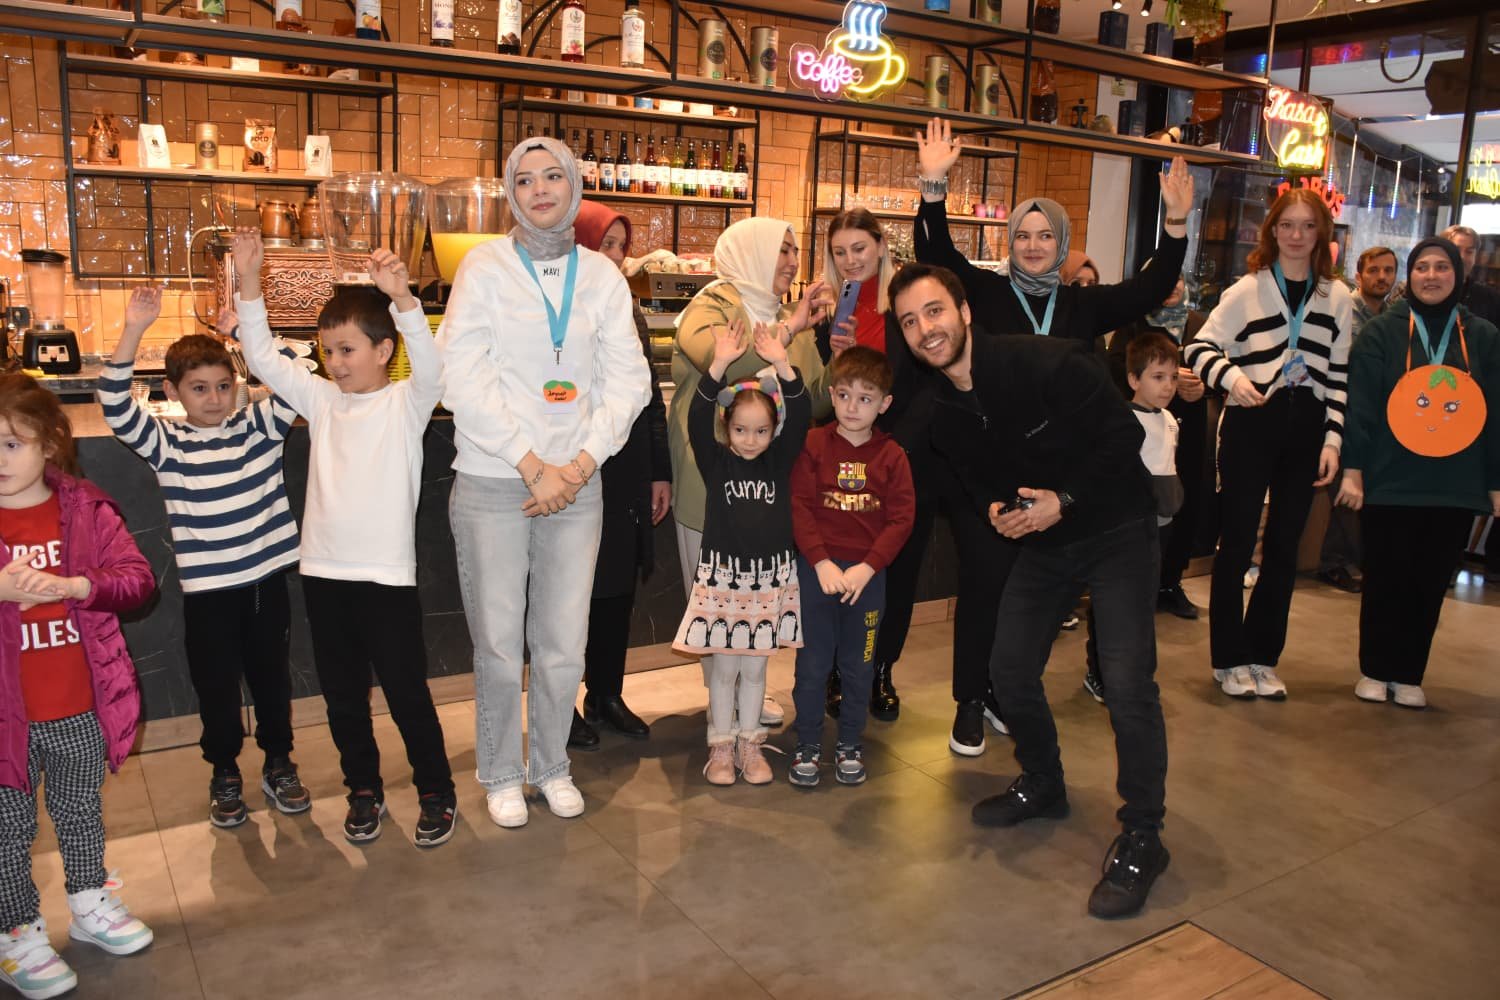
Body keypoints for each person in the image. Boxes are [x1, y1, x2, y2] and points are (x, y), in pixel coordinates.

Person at [892, 263, 1170, 919]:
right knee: (1009, 670)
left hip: (1117, 530)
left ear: (964, 312)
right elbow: (978, 481)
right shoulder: (943, 415)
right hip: (1047, 543)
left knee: (1127, 682)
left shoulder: (1047, 362)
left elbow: (1124, 436)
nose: (925, 329)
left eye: (934, 311)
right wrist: (997, 509)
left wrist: (1063, 500)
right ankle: (1044, 779)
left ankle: (1144, 834)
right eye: (908, 321)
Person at [907, 116, 1193, 755]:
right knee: (986, 586)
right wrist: (933, 187)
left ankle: (1012, 695)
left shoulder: (1082, 304)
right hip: (995, 473)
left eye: (1044, 236)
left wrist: (1175, 224)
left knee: (1036, 601)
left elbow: (1148, 287)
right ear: (1009, 242)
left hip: (1066, 479)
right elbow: (938, 258)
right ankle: (970, 701)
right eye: (1022, 235)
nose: (1033, 246)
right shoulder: (985, 293)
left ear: (1061, 244)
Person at [438, 138, 651, 829]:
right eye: (525, 179)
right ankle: (502, 771)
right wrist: (532, 465)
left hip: (578, 486)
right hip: (494, 481)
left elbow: (630, 382)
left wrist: (579, 465)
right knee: (500, 643)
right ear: (511, 192)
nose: (539, 189)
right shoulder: (484, 268)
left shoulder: (603, 277)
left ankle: (551, 763)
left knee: (562, 642)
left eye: (552, 175)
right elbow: (460, 378)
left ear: (574, 186)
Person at [233, 230, 458, 848]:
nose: (334, 362)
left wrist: (403, 298)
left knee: (407, 694)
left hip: (385, 578)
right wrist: (249, 281)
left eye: (347, 350)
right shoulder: (322, 399)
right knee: (342, 699)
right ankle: (363, 789)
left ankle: (436, 790)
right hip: (324, 574)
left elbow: (432, 365)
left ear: (383, 350)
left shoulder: (407, 404)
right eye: (327, 350)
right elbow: (262, 357)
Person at [96, 287, 310, 829]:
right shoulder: (166, 443)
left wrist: (244, 333)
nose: (214, 399)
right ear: (172, 391)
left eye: (223, 386)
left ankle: (279, 762)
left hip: (263, 586)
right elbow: (116, 405)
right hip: (209, 596)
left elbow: (297, 373)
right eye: (199, 388)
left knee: (272, 682)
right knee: (216, 689)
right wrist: (133, 329)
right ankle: (225, 772)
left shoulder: (259, 427)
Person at [0, 373, 156, 999]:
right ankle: (16, 934)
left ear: (49, 443)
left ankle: (90, 902)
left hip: (76, 703)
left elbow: (137, 580)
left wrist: (78, 586)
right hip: (7, 717)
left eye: (12, 444)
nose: (0, 459)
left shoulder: (85, 508)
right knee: (7, 828)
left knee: (79, 809)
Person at [1184, 188, 1352, 701]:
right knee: (1236, 543)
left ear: (1321, 234)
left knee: (1283, 547)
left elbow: (1339, 376)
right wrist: (1232, 379)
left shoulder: (1337, 297)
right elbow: (1198, 348)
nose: (1297, 235)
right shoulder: (1248, 289)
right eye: (1287, 225)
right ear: (1273, 230)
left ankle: (1262, 655)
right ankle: (1228, 658)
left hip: (1307, 426)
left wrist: (1333, 440)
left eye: (1307, 226)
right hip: (1252, 421)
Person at [669, 217, 831, 731]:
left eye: (795, 251)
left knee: (758, 600)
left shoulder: (786, 316)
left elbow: (816, 400)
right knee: (715, 599)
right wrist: (789, 332)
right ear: (752, 251)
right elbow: (723, 363)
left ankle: (749, 694)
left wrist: (839, 352)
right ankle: (725, 706)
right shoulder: (712, 305)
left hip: (769, 492)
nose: (792, 262)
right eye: (781, 250)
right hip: (710, 484)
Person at [1337, 237, 1500, 709]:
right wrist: (1353, 469)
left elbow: (1495, 414)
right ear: (1411, 276)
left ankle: (1409, 673)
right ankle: (1375, 669)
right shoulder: (1382, 332)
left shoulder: (1484, 336)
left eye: (1441, 267)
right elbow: (1361, 405)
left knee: (1430, 583)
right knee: (1385, 577)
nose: (1432, 276)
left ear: (1458, 275)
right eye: (1422, 267)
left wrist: (1495, 480)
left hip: (1455, 484)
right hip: (1390, 479)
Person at [672, 319, 810, 785]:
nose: (750, 439)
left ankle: (750, 744)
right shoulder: (717, 462)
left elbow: (801, 412)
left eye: (761, 430)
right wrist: (719, 365)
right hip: (723, 583)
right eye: (741, 429)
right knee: (725, 671)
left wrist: (782, 364)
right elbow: (697, 416)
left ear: (774, 431)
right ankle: (721, 748)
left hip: (767, 583)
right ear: (727, 427)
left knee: (755, 671)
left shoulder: (779, 461)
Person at [565, 201, 671, 749]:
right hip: (576, 466)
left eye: (621, 246)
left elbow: (649, 398)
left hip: (626, 468)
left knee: (615, 592)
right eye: (604, 243)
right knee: (570, 593)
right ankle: (561, 705)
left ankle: (606, 694)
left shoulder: (628, 308)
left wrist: (659, 473)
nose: (615, 255)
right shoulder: (559, 307)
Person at [788, 346, 914, 787]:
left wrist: (869, 567)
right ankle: (807, 742)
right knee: (812, 665)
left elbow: (902, 519)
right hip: (816, 575)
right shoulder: (813, 444)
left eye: (865, 398)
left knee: (860, 666)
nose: (852, 407)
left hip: (867, 580)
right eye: (844, 395)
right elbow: (800, 507)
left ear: (884, 403)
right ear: (832, 395)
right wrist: (820, 561)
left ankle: (849, 744)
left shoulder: (893, 456)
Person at [812, 208, 918, 722]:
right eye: (840, 252)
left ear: (880, 246)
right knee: (844, 565)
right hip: (843, 465)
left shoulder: (903, 305)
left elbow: (920, 382)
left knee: (895, 571)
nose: (851, 260)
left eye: (859, 248)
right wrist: (835, 353)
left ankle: (881, 671)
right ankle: (840, 671)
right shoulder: (832, 310)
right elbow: (826, 395)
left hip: (896, 457)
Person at [1107, 276, 1209, 622]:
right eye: (1165, 278)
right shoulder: (1134, 322)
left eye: (1177, 278)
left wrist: (1201, 387)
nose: (1172, 286)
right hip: (1142, 426)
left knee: (1181, 505)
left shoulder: (1199, 324)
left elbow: (1217, 367)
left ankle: (1170, 583)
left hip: (1184, 427)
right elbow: (1116, 369)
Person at [1316, 246, 1397, 595]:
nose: (1382, 277)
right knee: (1347, 490)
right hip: (1342, 410)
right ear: (1359, 275)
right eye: (1374, 270)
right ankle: (1335, 563)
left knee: (1367, 490)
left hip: (1380, 414)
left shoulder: (1393, 317)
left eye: (1389, 271)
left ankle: (1359, 559)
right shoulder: (1344, 310)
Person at [1440, 224, 1500, 329]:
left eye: (1469, 252)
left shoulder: (1491, 299)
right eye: (1456, 249)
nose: (1462, 257)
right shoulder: (1426, 290)